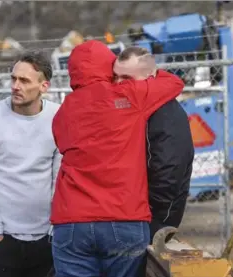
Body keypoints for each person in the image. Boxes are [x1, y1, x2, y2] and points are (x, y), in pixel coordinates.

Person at [50, 40, 184, 277]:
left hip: (71, 220)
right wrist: (148, 70)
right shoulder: (130, 96)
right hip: (123, 217)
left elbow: (62, 143)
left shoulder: (64, 110)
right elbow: (174, 83)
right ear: (108, 67)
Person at [0, 51, 61, 277]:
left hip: (46, 240)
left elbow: (60, 176)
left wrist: (55, 230)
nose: (15, 86)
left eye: (24, 80)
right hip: (2, 240)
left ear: (44, 86)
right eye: (13, 79)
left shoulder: (58, 116)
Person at [113, 46, 195, 243]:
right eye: (115, 77)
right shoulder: (140, 107)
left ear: (150, 75)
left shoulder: (164, 112)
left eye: (126, 78)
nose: (118, 84)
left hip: (152, 222)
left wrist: (148, 216)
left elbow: (168, 171)